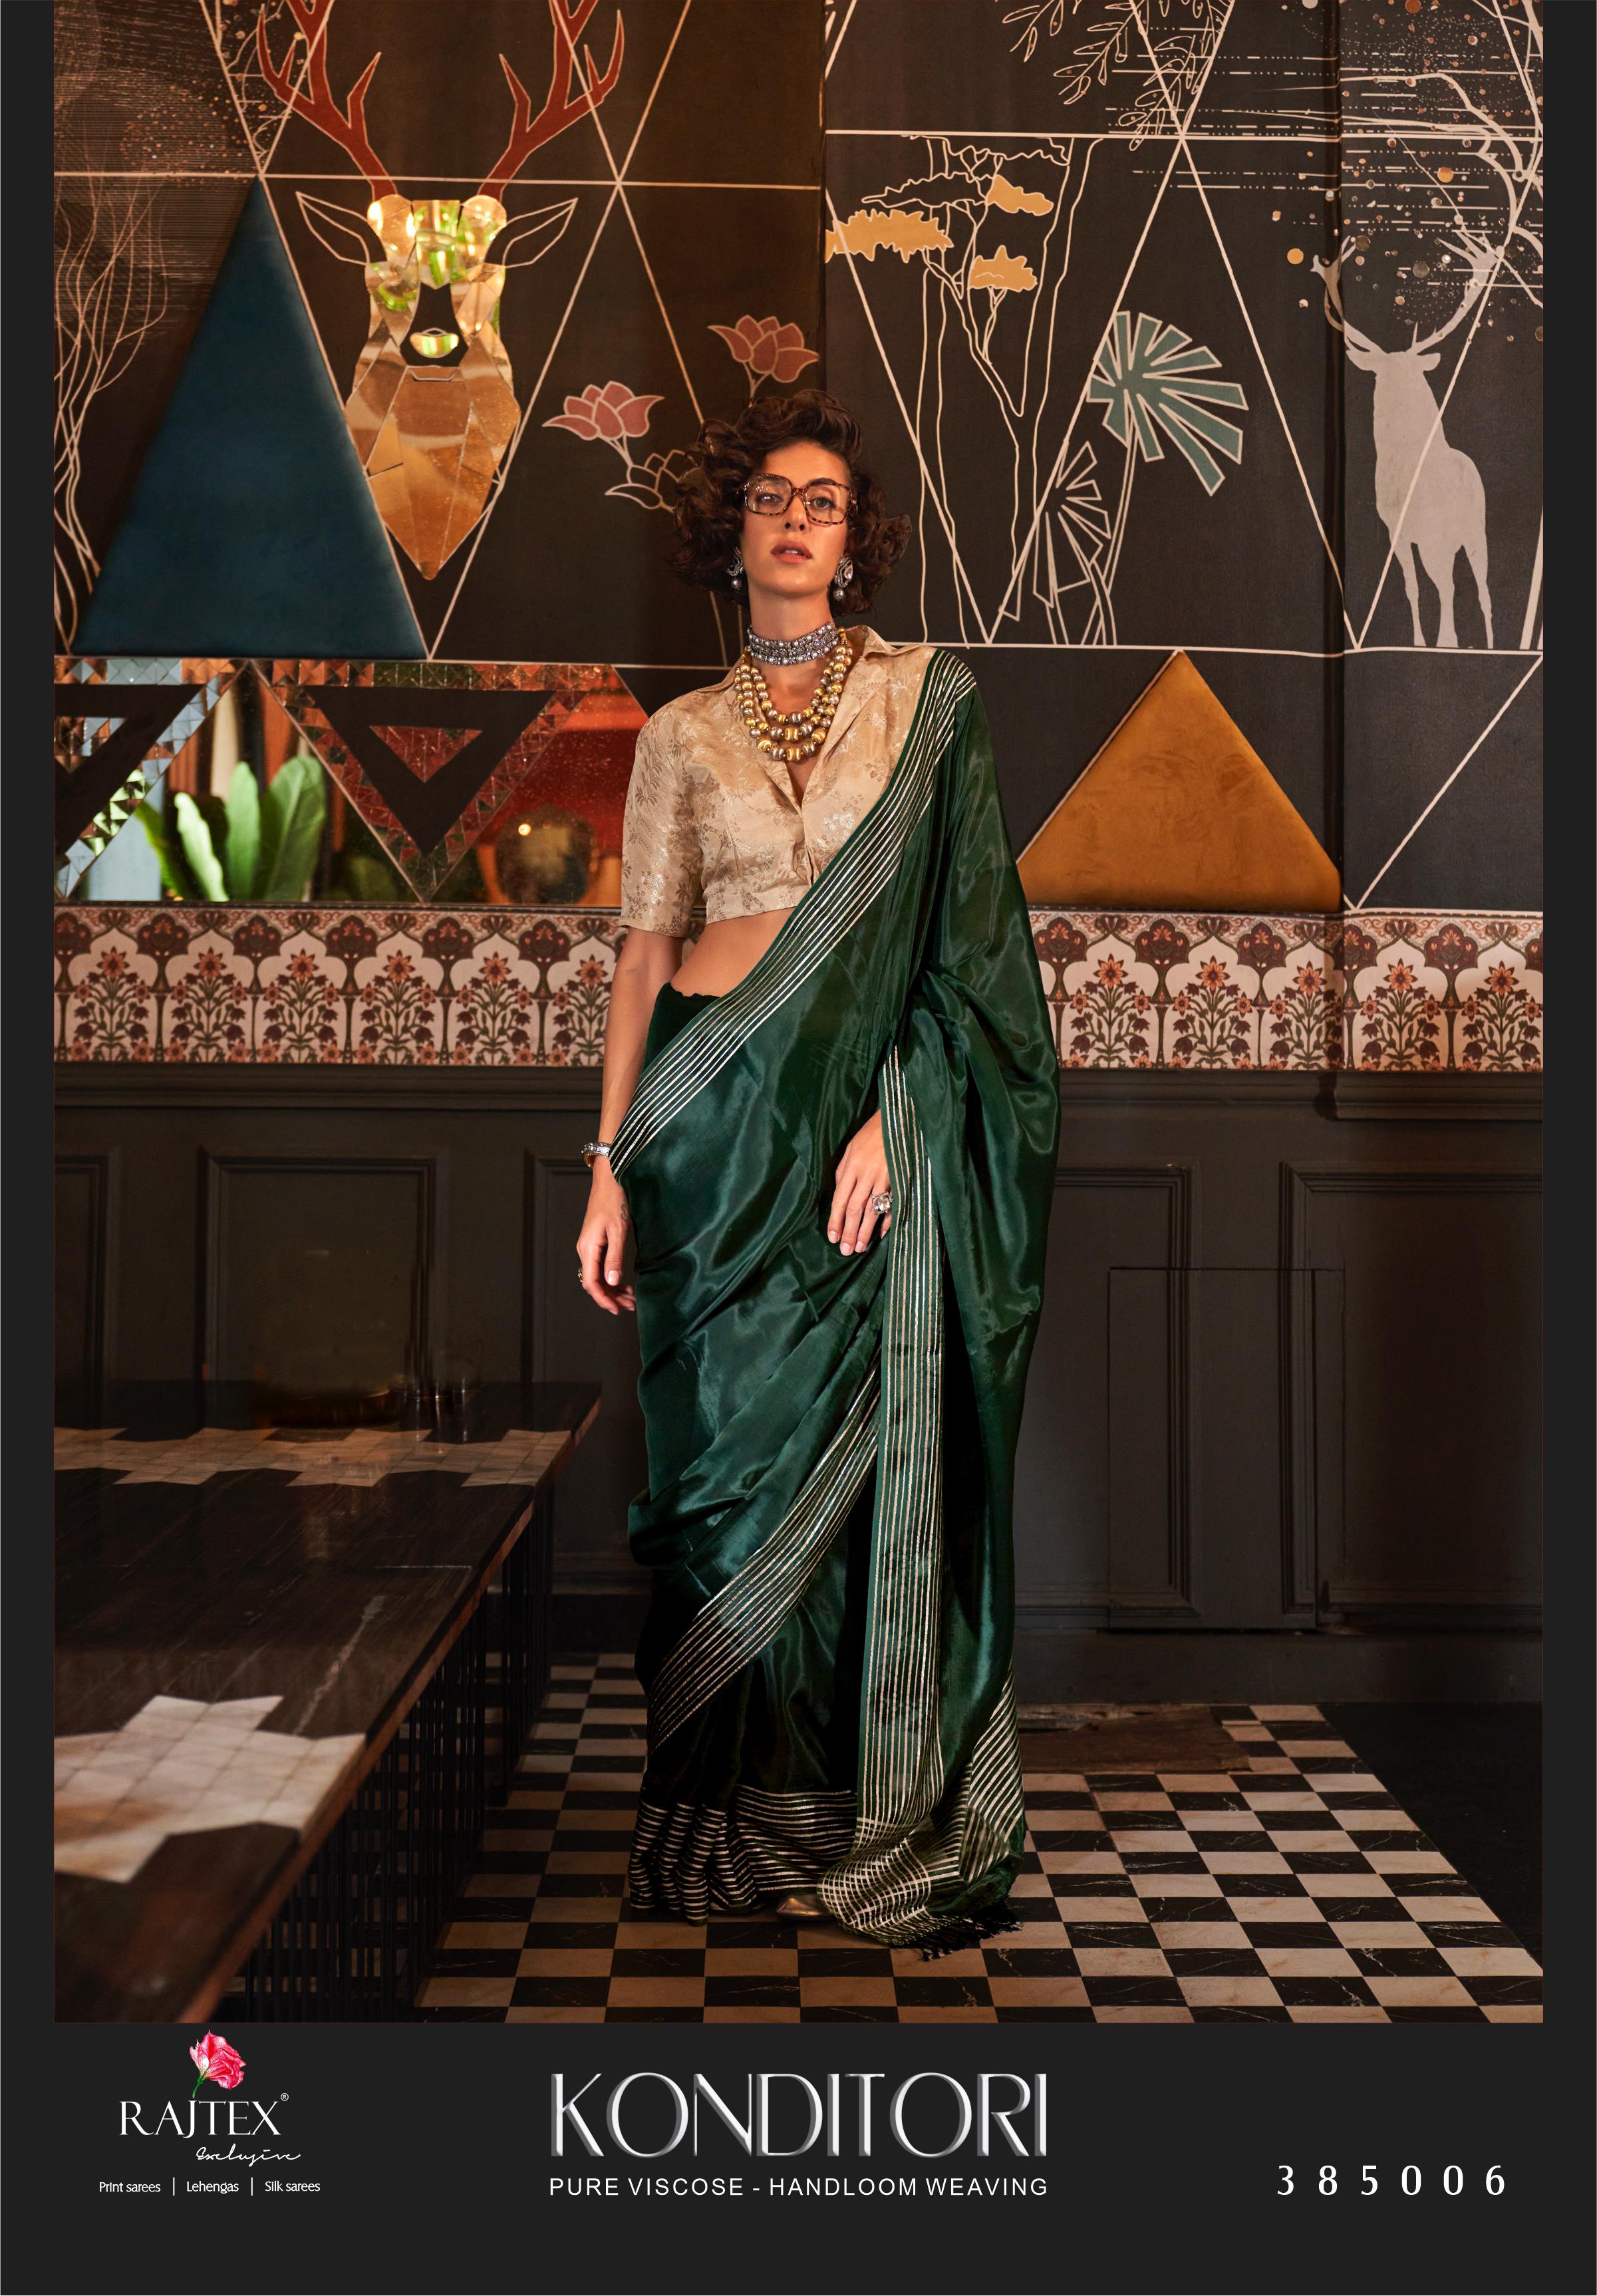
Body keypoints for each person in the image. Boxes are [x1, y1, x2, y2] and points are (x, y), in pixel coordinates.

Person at [575, 388, 1058, 1954]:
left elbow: (969, 953)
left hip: (856, 1116)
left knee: (860, 1490)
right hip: (705, 1135)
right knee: (719, 1494)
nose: (795, 520)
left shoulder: (928, 700)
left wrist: (895, 1119)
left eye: (824, 501)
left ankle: (862, 1809)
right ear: (733, 531)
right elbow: (643, 952)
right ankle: (727, 1819)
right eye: (772, 497)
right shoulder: (678, 735)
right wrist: (607, 1162)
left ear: (855, 542)